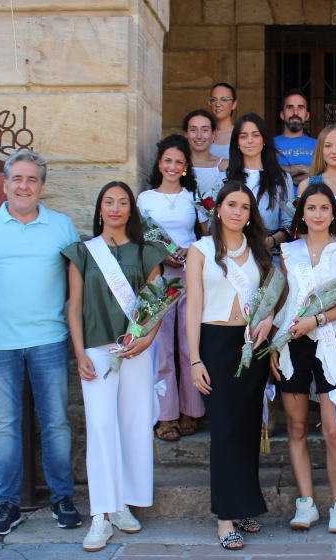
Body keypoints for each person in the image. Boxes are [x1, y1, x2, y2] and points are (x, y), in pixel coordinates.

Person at [0, 150, 82, 537]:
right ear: (6, 182)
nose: (24, 186)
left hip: (49, 339)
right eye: (17, 178)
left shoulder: (62, 226)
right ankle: (7, 504)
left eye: (32, 179)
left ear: (42, 186)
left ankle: (62, 497)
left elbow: (75, 285)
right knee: (5, 426)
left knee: (56, 424)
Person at [62, 181, 167, 552]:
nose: (116, 208)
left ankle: (122, 504)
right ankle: (99, 515)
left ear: (131, 210)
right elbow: (73, 307)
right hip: (96, 348)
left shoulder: (146, 252)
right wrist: (79, 354)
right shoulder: (83, 253)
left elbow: (157, 304)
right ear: (100, 208)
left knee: (134, 425)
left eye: (123, 202)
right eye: (110, 201)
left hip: (135, 349)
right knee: (101, 426)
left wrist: (148, 339)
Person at [185, 181, 275, 550]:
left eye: (245, 207)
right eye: (231, 205)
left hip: (251, 344)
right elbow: (192, 307)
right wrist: (194, 359)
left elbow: (271, 296)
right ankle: (225, 518)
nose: (238, 212)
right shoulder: (200, 250)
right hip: (215, 345)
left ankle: (244, 506)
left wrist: (268, 322)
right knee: (224, 431)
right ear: (218, 209)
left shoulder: (259, 249)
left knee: (248, 428)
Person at [270, 184, 336, 533]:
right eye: (312, 208)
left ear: (333, 213)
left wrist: (317, 320)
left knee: (334, 429)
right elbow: (283, 299)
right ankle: (305, 503)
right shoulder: (288, 251)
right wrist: (275, 344)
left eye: (325, 207)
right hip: (293, 343)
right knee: (295, 426)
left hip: (330, 341)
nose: (318, 214)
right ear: (302, 213)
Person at [137, 134, 208, 442]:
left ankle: (191, 410)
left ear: (185, 167)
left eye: (179, 161)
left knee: (188, 343)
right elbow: (140, 238)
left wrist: (189, 254)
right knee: (162, 347)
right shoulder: (145, 199)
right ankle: (165, 415)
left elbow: (206, 234)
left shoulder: (194, 196)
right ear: (159, 163)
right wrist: (162, 253)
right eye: (168, 160)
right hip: (158, 274)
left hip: (190, 273)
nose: (173, 165)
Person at [226, 113, 294, 254]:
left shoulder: (281, 179)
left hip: (268, 256)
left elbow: (289, 224)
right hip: (231, 257)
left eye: (255, 135)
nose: (249, 140)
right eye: (243, 136)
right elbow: (212, 223)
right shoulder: (225, 179)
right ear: (237, 142)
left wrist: (271, 241)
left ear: (264, 140)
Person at [274, 90, 316, 188]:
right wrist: (300, 169)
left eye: (300, 107)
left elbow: (323, 177)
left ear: (307, 116)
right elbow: (265, 172)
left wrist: (281, 172)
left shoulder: (318, 145)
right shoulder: (269, 144)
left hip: (307, 202)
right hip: (276, 202)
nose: (295, 112)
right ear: (282, 114)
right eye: (290, 107)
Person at [183, 109, 228, 198]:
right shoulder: (177, 166)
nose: (199, 136)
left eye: (205, 130)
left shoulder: (225, 166)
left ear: (213, 134)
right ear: (186, 134)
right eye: (193, 130)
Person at [208, 82, 237, 160]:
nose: (218, 104)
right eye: (213, 100)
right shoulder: (203, 134)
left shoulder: (240, 134)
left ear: (234, 104)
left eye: (224, 99)